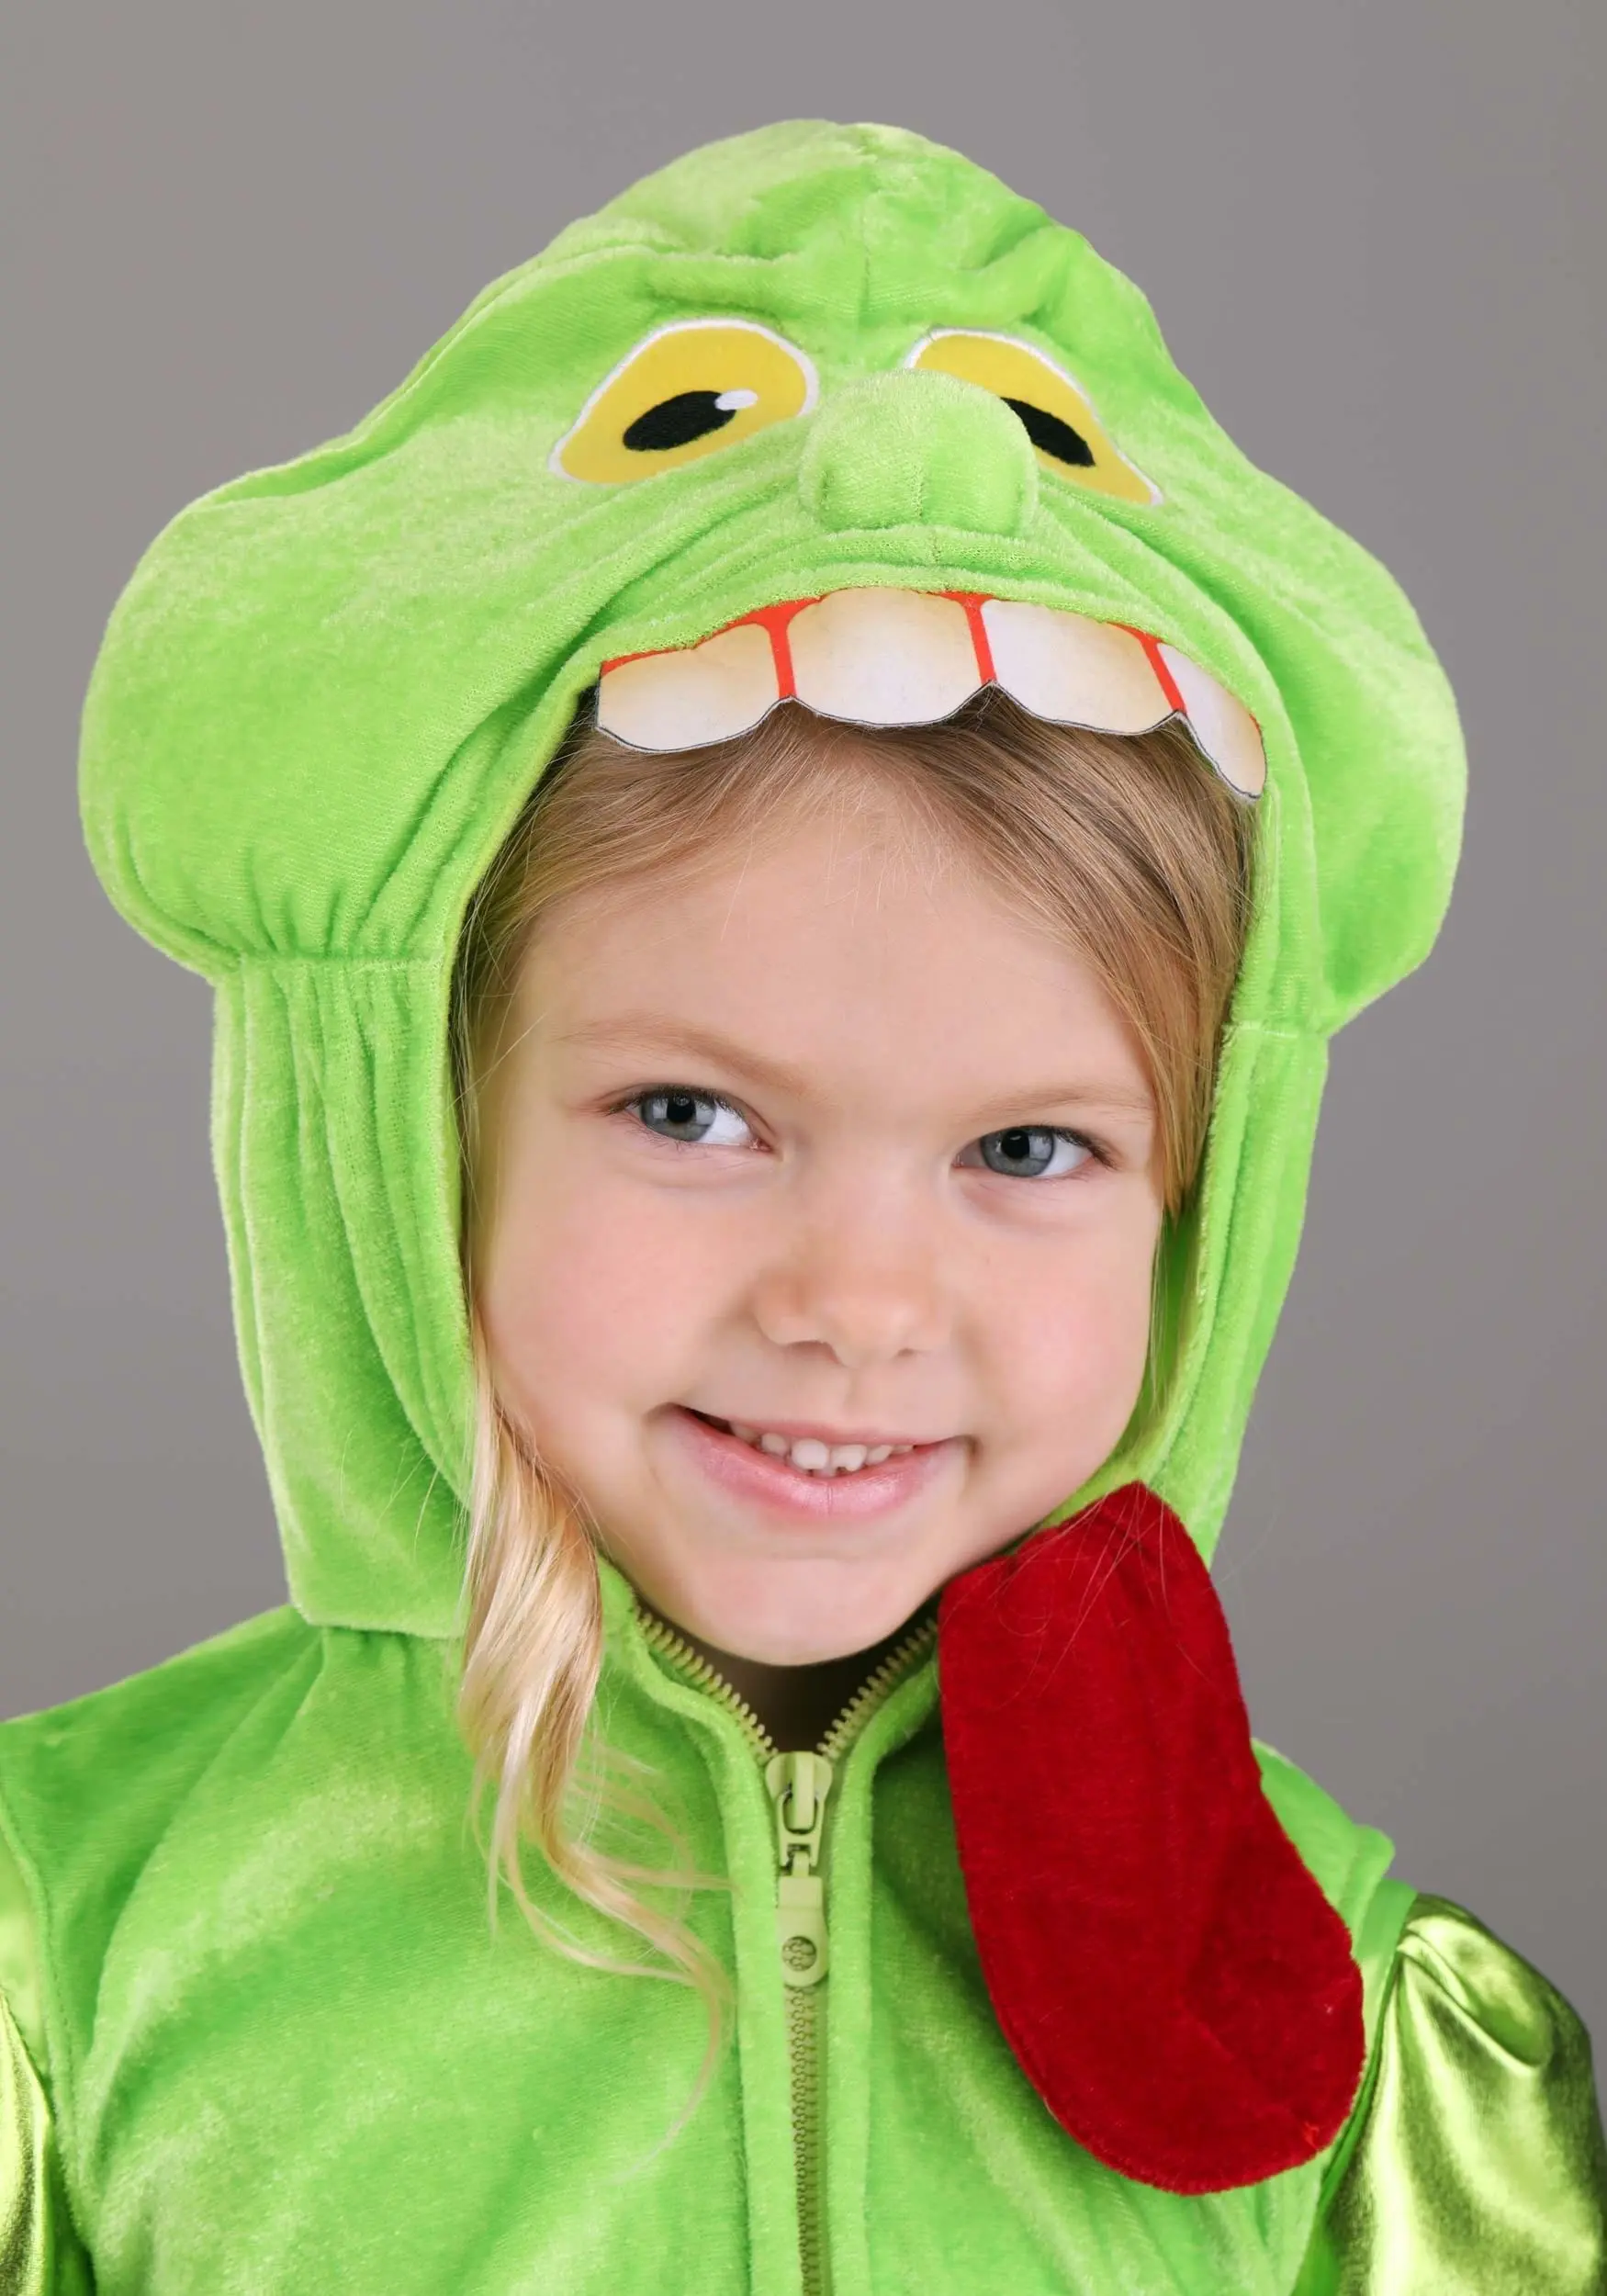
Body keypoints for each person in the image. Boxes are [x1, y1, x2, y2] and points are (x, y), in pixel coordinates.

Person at [1, 120, 1601, 2294]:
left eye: (1024, 1150)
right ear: (414, 1129)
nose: (857, 1300)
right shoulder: (76, 1951)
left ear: (1197, 1206)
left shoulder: (1332, 2026)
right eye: (693, 1112)